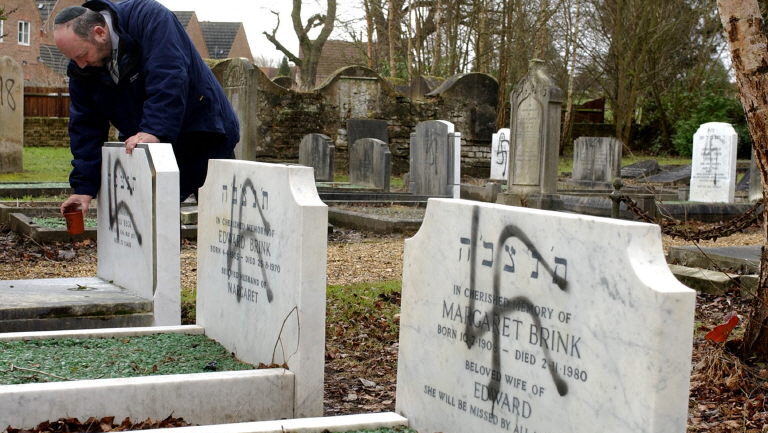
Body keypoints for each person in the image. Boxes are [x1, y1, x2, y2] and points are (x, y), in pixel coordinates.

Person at [54, 0, 240, 216]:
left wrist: (154, 130)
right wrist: (83, 188)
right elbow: (85, 125)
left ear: (99, 32)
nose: (80, 64)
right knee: (151, 221)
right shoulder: (82, 68)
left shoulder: (149, 18)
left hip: (203, 132)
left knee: (221, 221)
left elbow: (168, 75)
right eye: (73, 59)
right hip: (147, 143)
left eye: (81, 55)